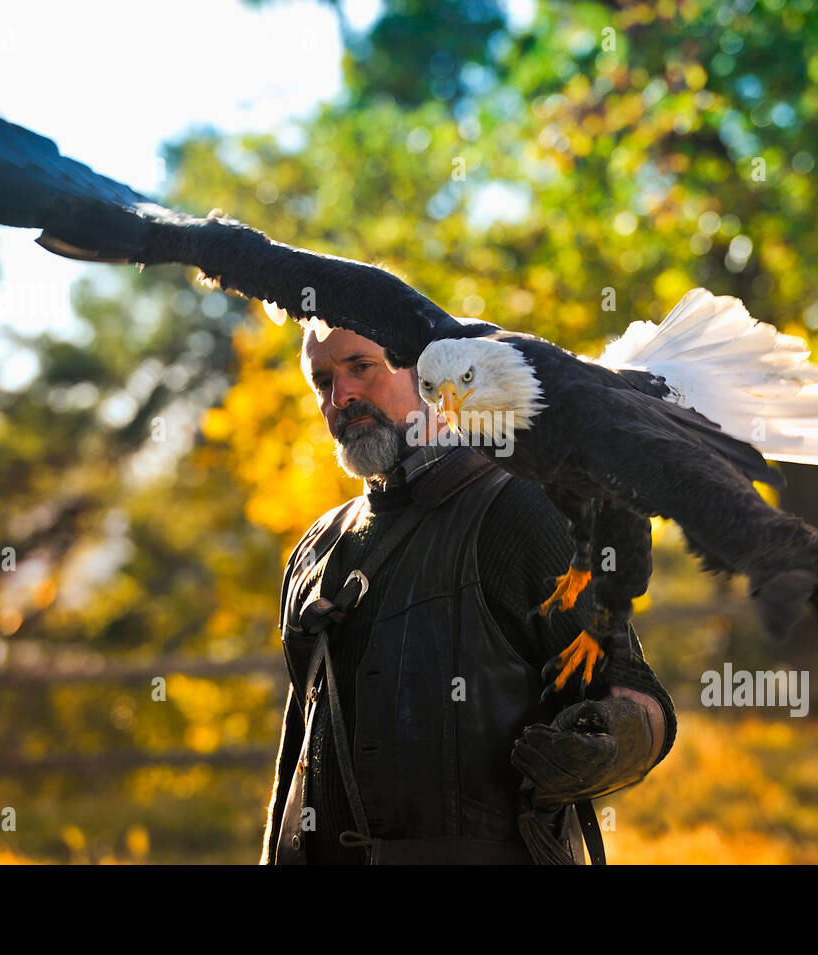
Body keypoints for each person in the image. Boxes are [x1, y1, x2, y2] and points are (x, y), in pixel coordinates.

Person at [260, 325, 677, 864]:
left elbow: (636, 695)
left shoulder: (524, 513)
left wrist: (604, 743)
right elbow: (300, 748)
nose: (341, 396)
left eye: (360, 367)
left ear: (424, 370)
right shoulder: (316, 550)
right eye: (322, 381)